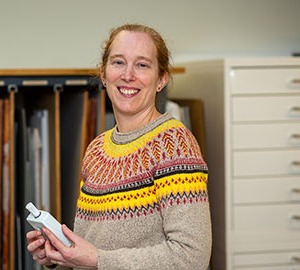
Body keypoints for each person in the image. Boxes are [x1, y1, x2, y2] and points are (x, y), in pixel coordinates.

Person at [27, 23, 212, 269]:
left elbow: (192, 256)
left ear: (161, 79)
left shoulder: (174, 145)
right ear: (103, 75)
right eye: (118, 62)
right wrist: (59, 256)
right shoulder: (96, 149)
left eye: (142, 65)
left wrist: (97, 259)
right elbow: (92, 252)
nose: (128, 75)